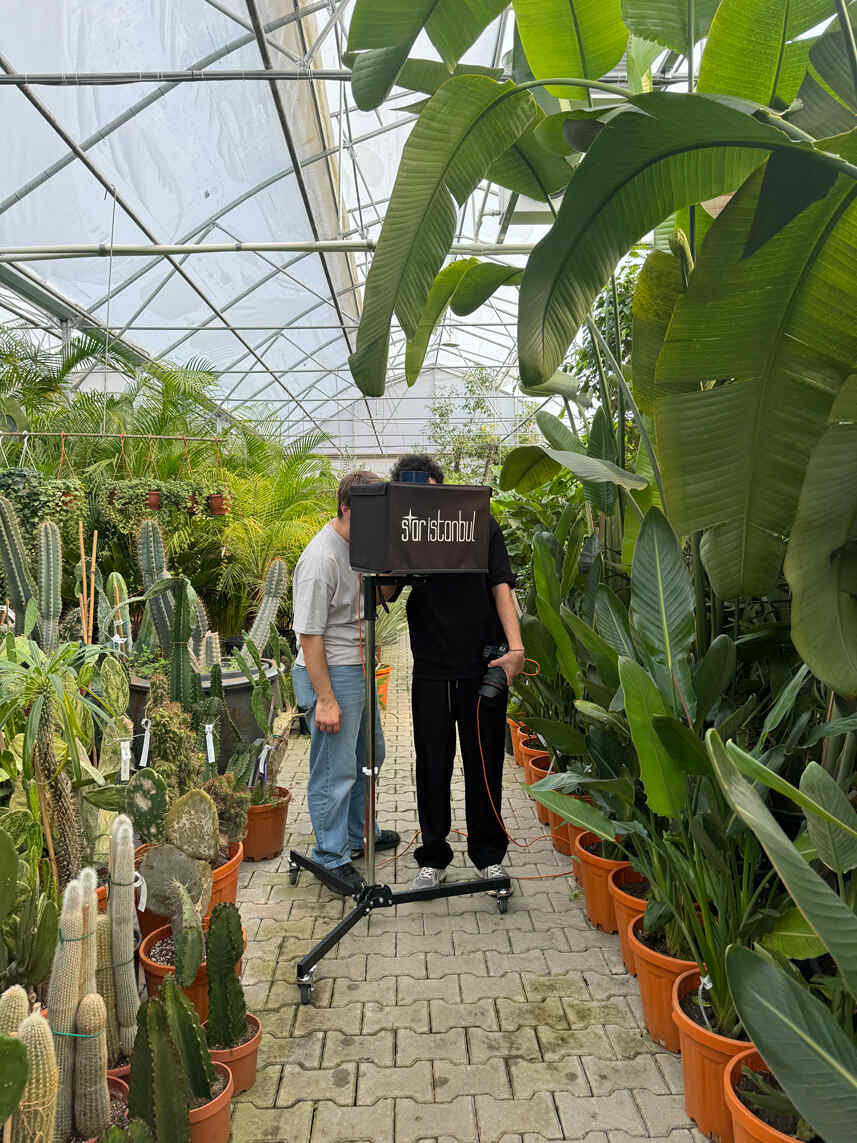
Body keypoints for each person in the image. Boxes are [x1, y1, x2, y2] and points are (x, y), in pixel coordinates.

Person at [387, 454, 525, 893]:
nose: (423, 499)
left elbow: (500, 585)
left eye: (428, 489)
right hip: (430, 667)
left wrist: (516, 649)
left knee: (484, 766)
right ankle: (433, 857)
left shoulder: (479, 522)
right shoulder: (405, 527)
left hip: (483, 665)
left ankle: (489, 858)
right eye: (413, 491)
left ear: (441, 487)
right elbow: (386, 590)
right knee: (431, 765)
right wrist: (385, 539)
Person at [291, 471, 400, 895]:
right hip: (329, 672)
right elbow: (309, 635)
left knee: (370, 754)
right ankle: (331, 857)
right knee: (334, 770)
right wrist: (325, 699)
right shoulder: (321, 560)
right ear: (346, 508)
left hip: (355, 667)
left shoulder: (360, 545)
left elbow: (375, 598)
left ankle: (358, 835)